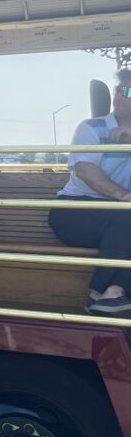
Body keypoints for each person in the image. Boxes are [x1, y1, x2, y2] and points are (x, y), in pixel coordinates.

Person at [48, 69, 131, 316]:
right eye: (119, 89)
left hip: (120, 221)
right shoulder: (92, 128)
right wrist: (125, 197)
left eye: (129, 91)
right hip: (73, 212)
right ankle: (97, 292)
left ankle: (112, 293)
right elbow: (85, 170)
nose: (119, 96)